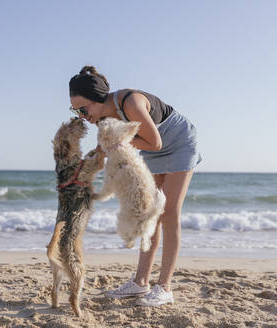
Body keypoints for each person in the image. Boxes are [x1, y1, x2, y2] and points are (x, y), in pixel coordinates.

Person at [68, 66, 202, 307]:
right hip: (151, 146)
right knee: (150, 214)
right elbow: (112, 147)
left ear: (97, 100)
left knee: (169, 212)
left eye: (82, 109)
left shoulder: (130, 103)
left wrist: (113, 146)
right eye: (75, 110)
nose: (81, 115)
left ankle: (165, 287)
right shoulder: (103, 119)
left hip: (177, 141)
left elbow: (155, 142)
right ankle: (140, 282)